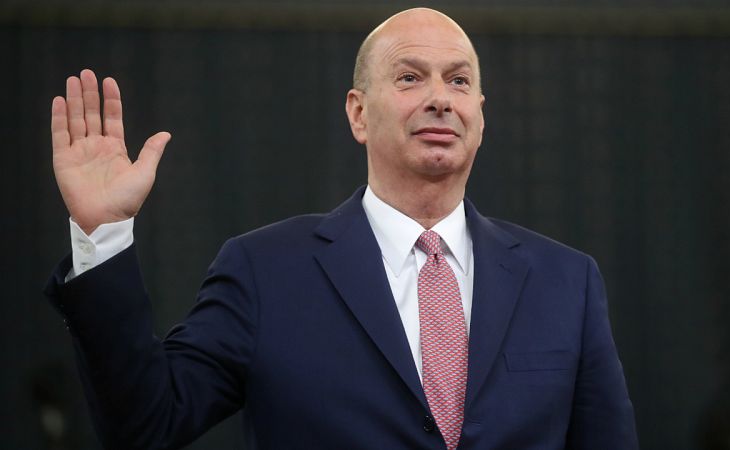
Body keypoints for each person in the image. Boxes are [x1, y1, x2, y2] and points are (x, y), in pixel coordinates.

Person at [45, 7, 638, 450]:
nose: (440, 98)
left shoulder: (567, 281)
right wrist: (104, 235)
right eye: (410, 77)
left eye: (459, 81)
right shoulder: (266, 271)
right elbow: (146, 425)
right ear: (358, 113)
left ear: (480, 117)